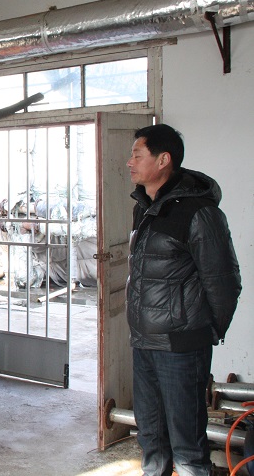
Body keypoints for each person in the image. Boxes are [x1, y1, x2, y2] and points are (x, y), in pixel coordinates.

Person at [126, 124, 241, 476]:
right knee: (151, 440)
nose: (129, 162)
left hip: (181, 347)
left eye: (137, 155)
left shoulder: (199, 213)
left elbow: (224, 282)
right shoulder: (144, 208)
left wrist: (205, 332)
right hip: (144, 343)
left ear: (163, 160)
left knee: (188, 450)